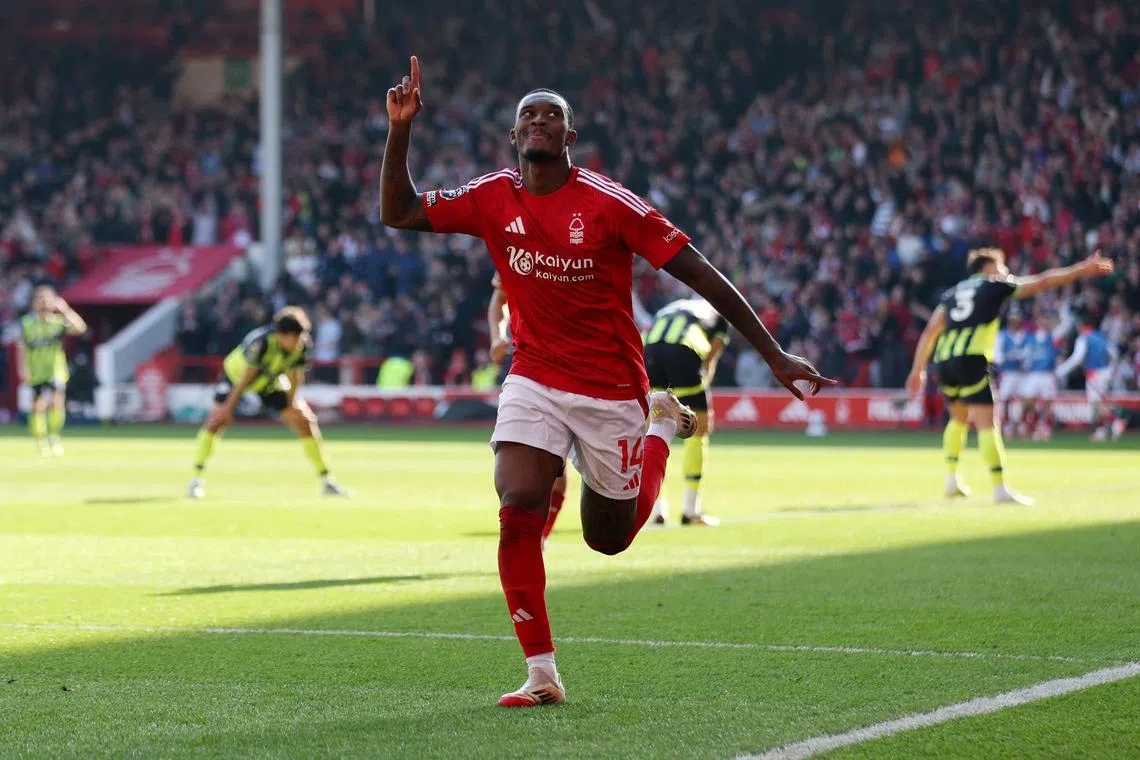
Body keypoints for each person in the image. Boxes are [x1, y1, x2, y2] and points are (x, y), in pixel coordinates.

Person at [380, 57, 832, 707]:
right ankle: (541, 673)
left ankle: (659, 426)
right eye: (527, 114)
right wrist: (400, 130)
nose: (538, 119)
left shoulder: (609, 204)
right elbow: (398, 213)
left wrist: (773, 354)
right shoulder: (490, 197)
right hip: (534, 373)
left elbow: (700, 272)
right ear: (514, 138)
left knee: (608, 538)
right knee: (517, 503)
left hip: (611, 386)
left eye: (552, 114)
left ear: (569, 137)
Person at [906, 248, 1114, 504]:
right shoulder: (995, 285)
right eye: (1002, 267)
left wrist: (918, 370)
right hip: (972, 358)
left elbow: (929, 332)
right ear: (989, 268)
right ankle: (999, 488)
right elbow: (1043, 281)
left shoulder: (951, 294)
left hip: (945, 360)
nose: (1006, 272)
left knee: (958, 418)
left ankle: (951, 480)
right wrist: (1081, 270)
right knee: (986, 422)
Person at [187, 306, 350, 498]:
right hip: (235, 380)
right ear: (282, 335)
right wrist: (228, 409)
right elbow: (246, 378)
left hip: (268, 382)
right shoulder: (261, 343)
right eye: (296, 338)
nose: (301, 342)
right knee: (216, 421)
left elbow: (295, 375)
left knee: (304, 420)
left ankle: (327, 480)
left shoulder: (301, 344)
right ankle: (196, 479)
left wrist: (291, 404)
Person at [488, 273, 568, 547]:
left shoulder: (582, 248)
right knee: (549, 467)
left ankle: (660, 430)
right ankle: (538, 539)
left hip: (584, 370)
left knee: (610, 514)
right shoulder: (514, 243)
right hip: (531, 372)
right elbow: (499, 299)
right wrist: (497, 337)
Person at [643, 297, 728, 527]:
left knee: (654, 429)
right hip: (684, 352)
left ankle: (656, 509)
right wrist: (702, 392)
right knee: (699, 432)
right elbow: (711, 359)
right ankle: (691, 510)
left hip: (649, 351)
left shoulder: (672, 305)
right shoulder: (719, 313)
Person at [18, 286, 88, 456]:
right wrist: (23, 368)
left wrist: (66, 310)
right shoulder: (27, 324)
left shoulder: (57, 323)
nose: (43, 303)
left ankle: (54, 436)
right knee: (38, 406)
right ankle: (41, 440)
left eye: (47, 299)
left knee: (57, 402)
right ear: (34, 303)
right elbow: (21, 348)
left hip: (55, 370)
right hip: (36, 371)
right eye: (40, 299)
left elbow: (80, 328)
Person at [1055, 312, 1124, 442]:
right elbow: (1114, 353)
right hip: (1104, 372)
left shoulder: (1083, 338)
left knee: (1096, 403)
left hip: (1094, 374)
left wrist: (1060, 371)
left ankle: (1115, 422)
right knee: (1099, 402)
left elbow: (1077, 359)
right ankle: (1102, 430)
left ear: (1081, 325)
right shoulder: (1100, 336)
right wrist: (1110, 369)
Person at [1021, 312, 1063, 441]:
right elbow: (1026, 355)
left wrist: (1057, 372)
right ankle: (1029, 424)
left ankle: (1043, 427)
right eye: (1040, 321)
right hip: (1033, 374)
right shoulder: (1030, 338)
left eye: (1045, 321)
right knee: (1027, 402)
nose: (1042, 323)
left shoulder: (1053, 337)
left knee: (1047, 403)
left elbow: (1059, 356)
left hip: (1047, 374)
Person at [993, 314, 1028, 439]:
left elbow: (1028, 353)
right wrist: (1008, 358)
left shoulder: (1024, 335)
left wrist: (1024, 360)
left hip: (1021, 373)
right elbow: (997, 355)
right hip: (1008, 372)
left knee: (1021, 399)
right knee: (1005, 398)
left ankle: (1020, 424)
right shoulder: (1002, 336)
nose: (1015, 323)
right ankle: (1007, 424)